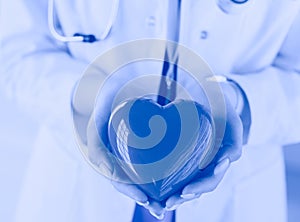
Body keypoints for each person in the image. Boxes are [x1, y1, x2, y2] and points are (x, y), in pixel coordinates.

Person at [1, 0, 300, 221]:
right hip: (75, 187)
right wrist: (90, 98)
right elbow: (15, 51)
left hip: (237, 196)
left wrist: (240, 102)